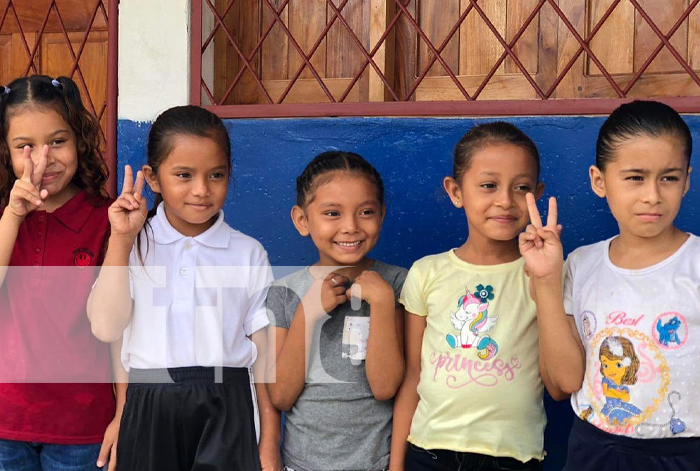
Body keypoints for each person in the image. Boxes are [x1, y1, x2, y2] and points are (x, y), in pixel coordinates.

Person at [87, 105, 280, 471]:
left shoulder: (247, 252)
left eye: (216, 175)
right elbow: (108, 329)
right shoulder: (133, 245)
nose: (201, 190)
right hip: (148, 404)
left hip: (229, 406)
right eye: (184, 174)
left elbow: (264, 358)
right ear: (153, 178)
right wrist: (120, 240)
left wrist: (269, 441)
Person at [521, 100, 700, 470]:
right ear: (599, 181)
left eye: (668, 177)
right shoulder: (581, 265)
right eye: (635, 177)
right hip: (595, 450)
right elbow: (564, 383)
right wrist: (546, 282)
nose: (652, 195)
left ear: (686, 180)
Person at [392, 122, 552, 471]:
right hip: (429, 452)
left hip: (512, 457)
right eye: (488, 186)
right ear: (455, 191)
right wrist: (396, 463)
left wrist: (548, 277)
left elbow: (559, 377)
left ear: (537, 193)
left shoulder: (545, 272)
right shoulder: (427, 273)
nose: (505, 201)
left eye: (521, 187)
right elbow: (414, 375)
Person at [0, 75, 123, 470]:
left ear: (79, 140)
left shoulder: (106, 220)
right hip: (6, 425)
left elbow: (119, 332)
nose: (43, 159)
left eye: (58, 141)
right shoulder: (4, 219)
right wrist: (14, 216)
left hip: (83, 430)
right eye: (25, 147)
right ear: (6, 152)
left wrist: (124, 412)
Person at [266, 151, 407, 471]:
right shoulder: (283, 293)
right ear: (302, 220)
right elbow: (281, 396)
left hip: (376, 464)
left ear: (382, 215)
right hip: (302, 464)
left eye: (366, 212)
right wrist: (307, 313)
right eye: (332, 213)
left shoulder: (398, 284)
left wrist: (383, 304)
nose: (351, 227)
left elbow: (386, 387)